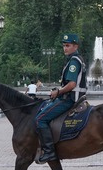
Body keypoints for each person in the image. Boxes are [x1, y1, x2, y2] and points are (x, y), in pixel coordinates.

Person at [34, 33, 87, 163]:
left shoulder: (74, 61)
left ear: (75, 46)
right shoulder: (74, 59)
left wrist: (58, 92)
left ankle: (49, 152)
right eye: (64, 46)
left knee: (40, 119)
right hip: (72, 97)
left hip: (69, 99)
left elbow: (72, 84)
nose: (65, 48)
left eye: (68, 45)